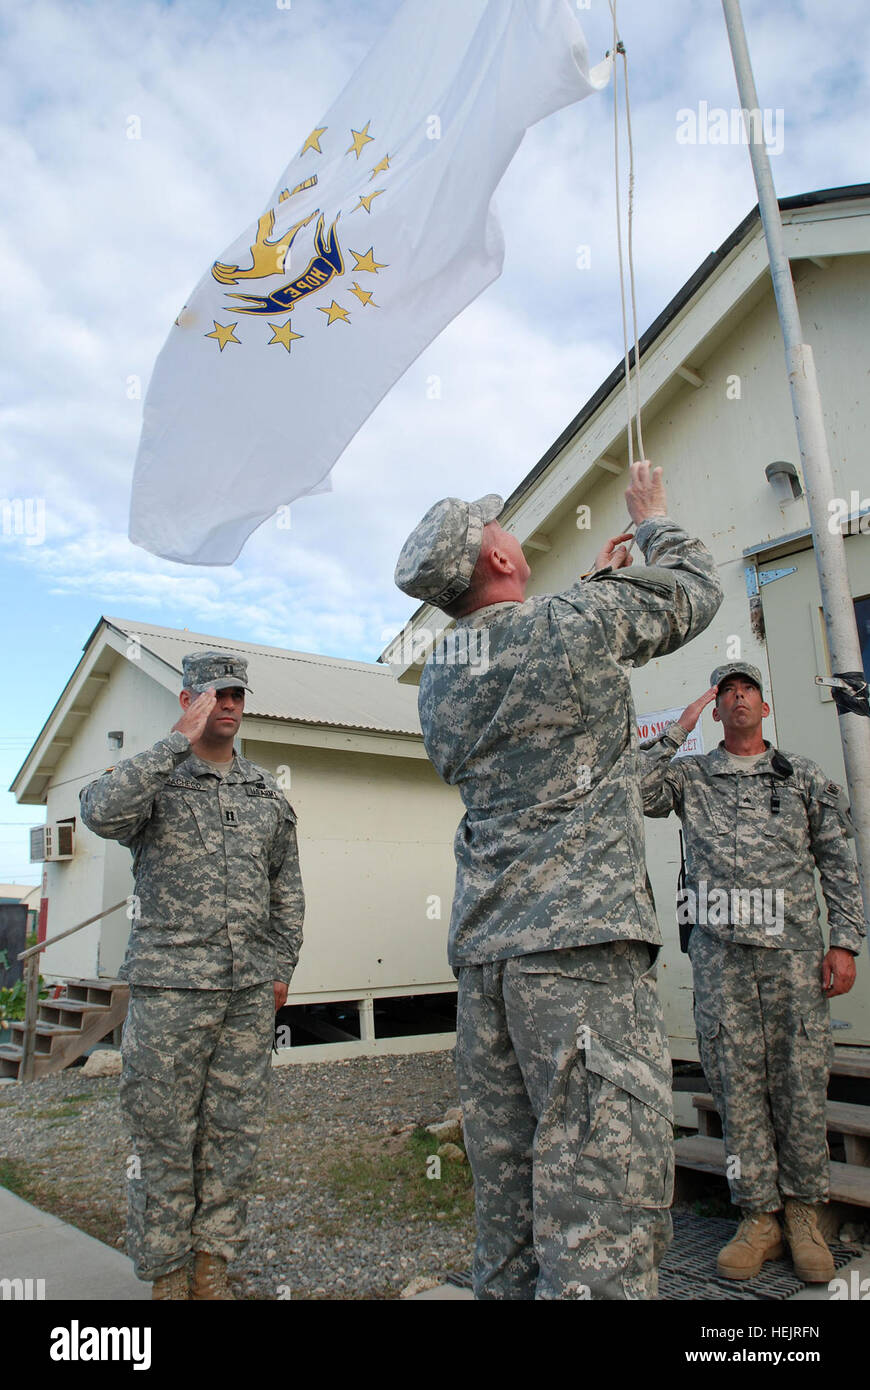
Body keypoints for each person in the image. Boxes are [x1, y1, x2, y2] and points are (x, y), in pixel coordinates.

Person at [393, 461, 723, 1299]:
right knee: (603, 1198)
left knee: (510, 1192)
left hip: (488, 958)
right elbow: (693, 588)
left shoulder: (438, 677)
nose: (512, 533)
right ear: (496, 562)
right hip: (577, 955)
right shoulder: (569, 625)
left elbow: (527, 663)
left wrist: (595, 591)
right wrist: (653, 520)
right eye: (498, 528)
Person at [80, 650, 304, 1299]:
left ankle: (213, 1269)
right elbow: (99, 811)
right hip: (170, 989)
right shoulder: (155, 780)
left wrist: (281, 964)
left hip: (245, 993)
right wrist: (174, 743)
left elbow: (286, 886)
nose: (229, 705)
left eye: (237, 694)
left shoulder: (264, 794)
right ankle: (167, 1273)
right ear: (188, 700)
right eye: (215, 695)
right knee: (162, 1133)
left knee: (233, 1134)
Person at [641, 663, 865, 1282]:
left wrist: (844, 943)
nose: (738, 699)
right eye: (726, 693)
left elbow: (839, 862)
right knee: (737, 1090)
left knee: (799, 1084)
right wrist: (675, 729)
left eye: (749, 691)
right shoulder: (691, 777)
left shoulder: (801, 779)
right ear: (715, 711)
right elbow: (635, 788)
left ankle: (803, 1215)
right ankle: (758, 1217)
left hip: (794, 958)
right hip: (721, 959)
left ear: (765, 709)